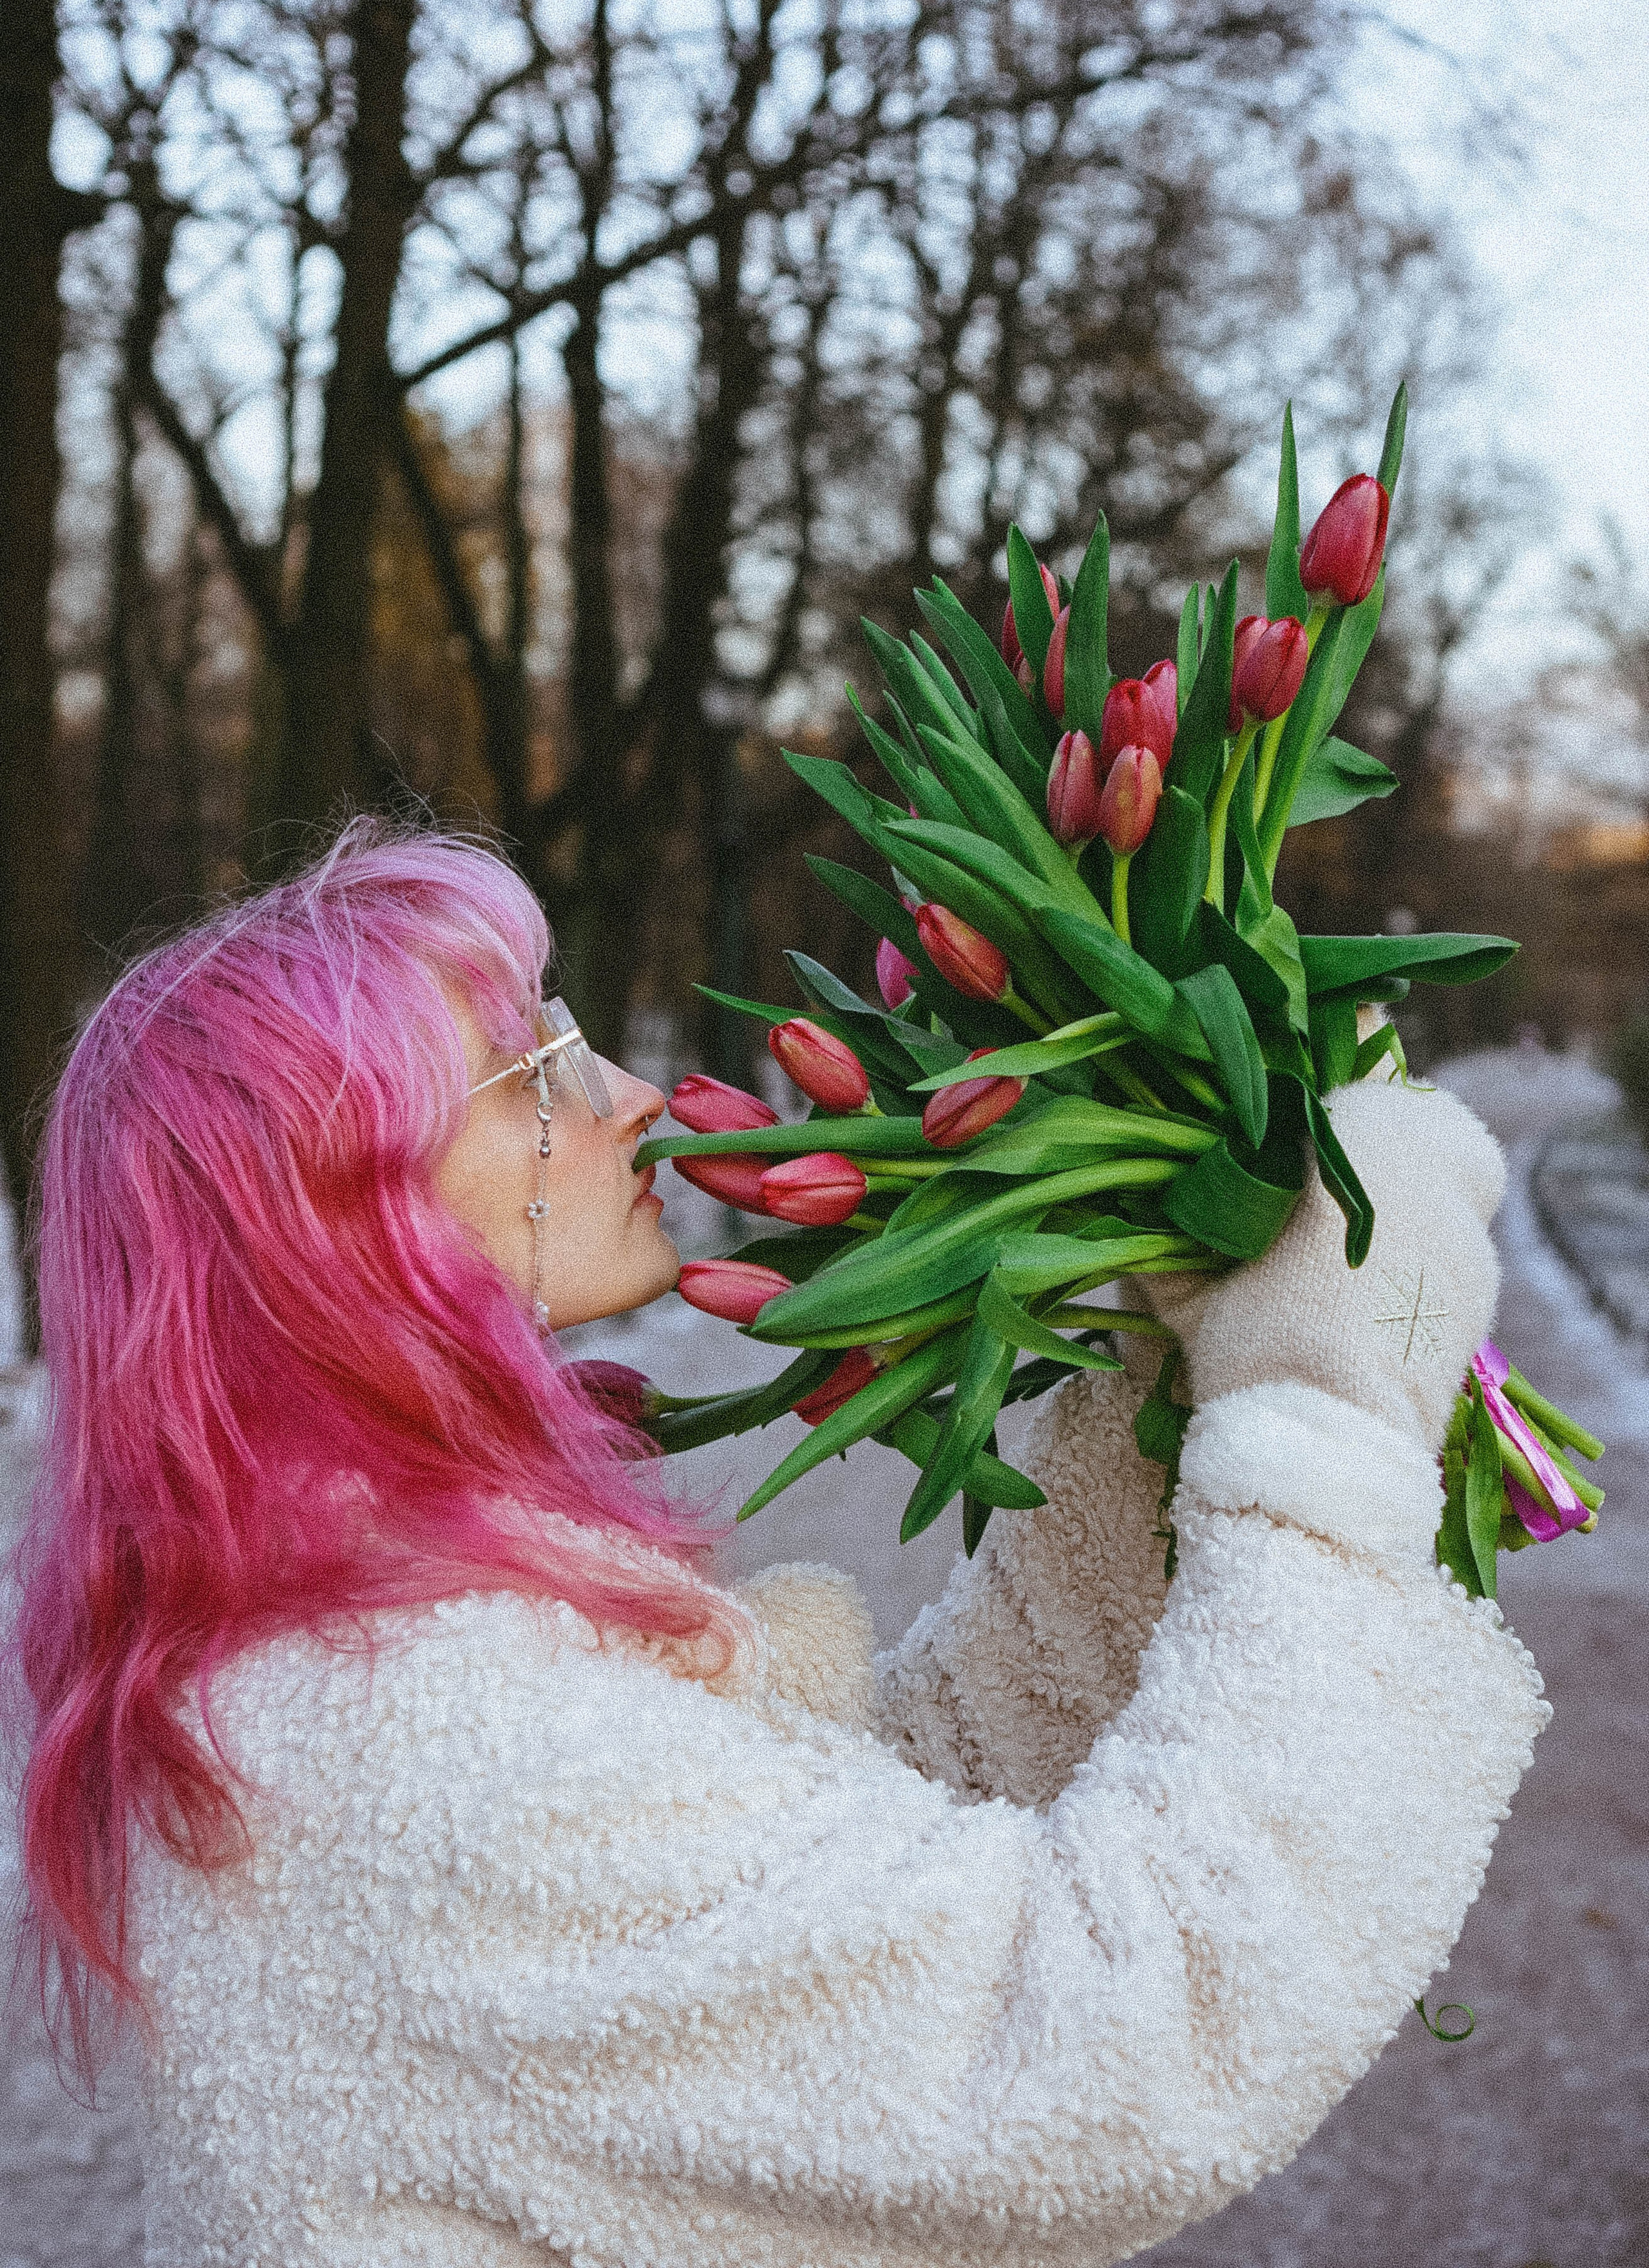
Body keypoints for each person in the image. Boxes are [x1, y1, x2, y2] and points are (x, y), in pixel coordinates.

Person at [8, 822, 1546, 2268]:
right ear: (327, 1226)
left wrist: (1146, 1411)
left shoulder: (344, 1645)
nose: (623, 1093)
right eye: (523, 1068)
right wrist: (1332, 1406)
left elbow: (850, 1861)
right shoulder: (441, 1752)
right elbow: (1102, 2039)